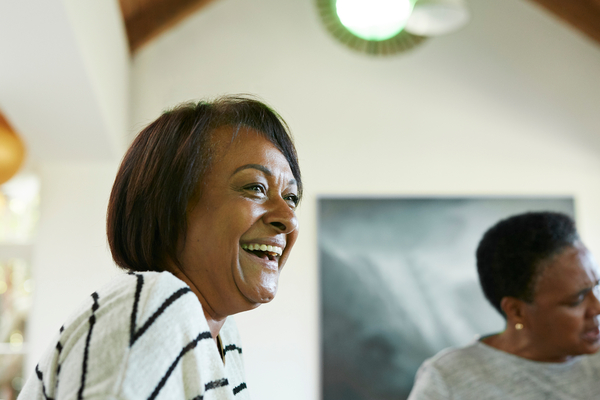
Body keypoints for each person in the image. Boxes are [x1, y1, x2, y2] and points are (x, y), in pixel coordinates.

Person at [19, 95, 302, 399]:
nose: (288, 219)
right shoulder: (154, 307)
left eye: (291, 198)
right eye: (255, 188)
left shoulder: (223, 337)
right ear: (171, 206)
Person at [408, 211, 600, 400]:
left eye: (597, 288)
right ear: (516, 311)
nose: (597, 307)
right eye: (576, 300)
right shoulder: (448, 380)